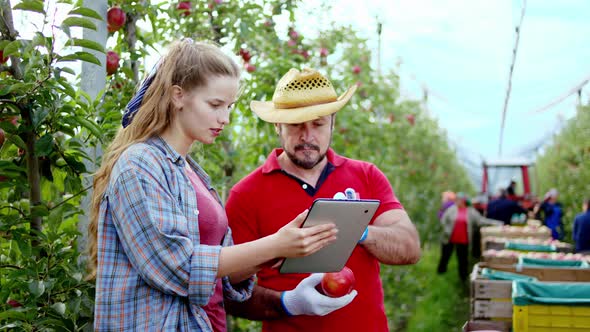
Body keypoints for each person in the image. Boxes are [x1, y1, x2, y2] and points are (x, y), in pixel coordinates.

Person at [86, 40, 341, 331]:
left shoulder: (193, 173)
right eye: (215, 105)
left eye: (229, 106)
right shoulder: (140, 164)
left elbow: (220, 277)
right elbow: (179, 268)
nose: (225, 118)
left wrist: (284, 250)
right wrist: (274, 243)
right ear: (178, 96)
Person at [224, 68, 421, 332]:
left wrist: (356, 230)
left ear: (333, 123)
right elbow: (227, 288)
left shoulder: (366, 176)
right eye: (296, 125)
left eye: (318, 124)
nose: (307, 137)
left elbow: (409, 248)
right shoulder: (246, 194)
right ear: (277, 126)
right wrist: (287, 303)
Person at [437, 192, 502, 281]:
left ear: (464, 201)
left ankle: (463, 278)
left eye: (459, 200)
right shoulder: (451, 210)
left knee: (463, 260)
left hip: (463, 240)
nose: (457, 201)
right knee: (445, 256)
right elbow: (443, 220)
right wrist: (447, 230)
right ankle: (441, 273)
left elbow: (481, 221)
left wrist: (497, 223)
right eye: (456, 199)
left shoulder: (471, 211)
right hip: (449, 238)